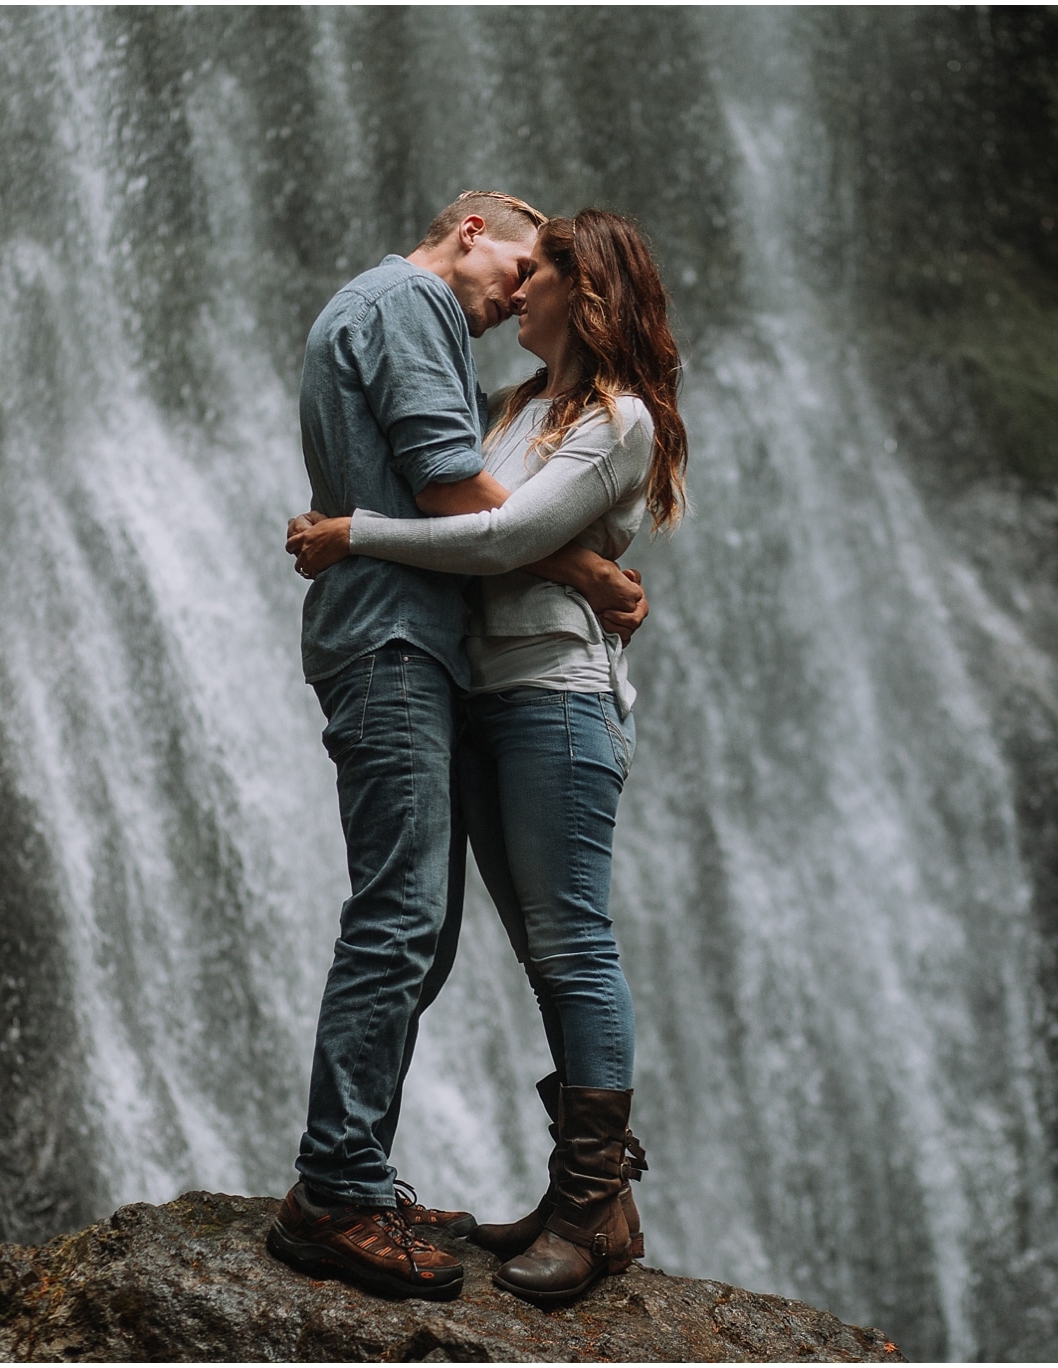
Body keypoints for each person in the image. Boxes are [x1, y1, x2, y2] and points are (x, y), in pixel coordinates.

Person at [288, 208, 688, 1306]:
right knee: (463, 933)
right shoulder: (504, 404)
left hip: (552, 697)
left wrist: (350, 533)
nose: (516, 295)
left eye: (535, 275)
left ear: (583, 286)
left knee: (563, 944)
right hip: (468, 684)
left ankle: (589, 1200)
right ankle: (359, 1181)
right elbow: (464, 505)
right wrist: (583, 568)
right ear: (468, 231)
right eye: (515, 266)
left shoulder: (617, 419)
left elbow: (498, 536)